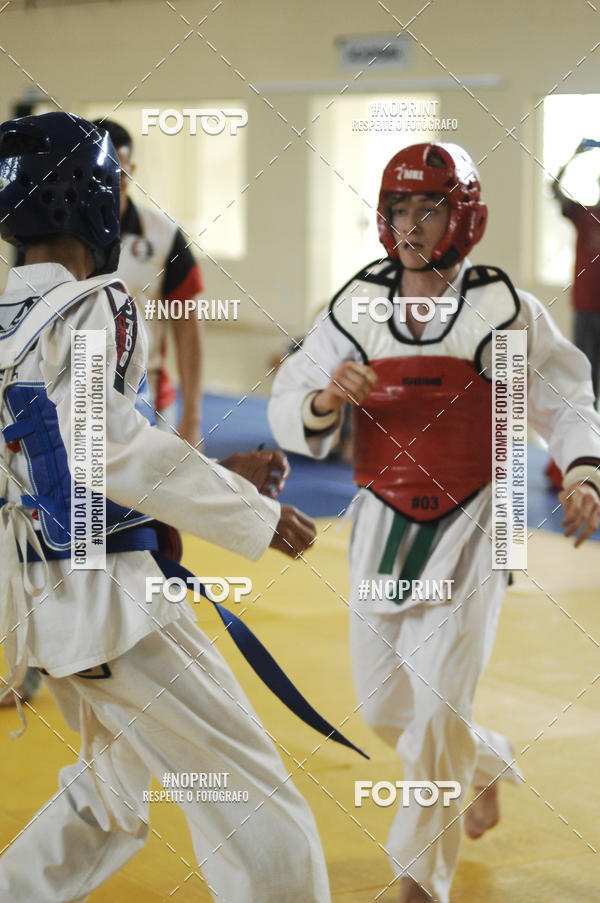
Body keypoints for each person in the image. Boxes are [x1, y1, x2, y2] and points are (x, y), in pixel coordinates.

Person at [0, 111, 331, 903]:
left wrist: (216, 470)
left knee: (110, 801)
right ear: (92, 198)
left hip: (44, 600)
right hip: (112, 602)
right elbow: (104, 446)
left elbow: (69, 458)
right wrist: (249, 512)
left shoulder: (10, 321)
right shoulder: (95, 305)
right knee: (251, 792)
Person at [268, 142, 600, 903]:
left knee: (439, 706)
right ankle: (480, 762)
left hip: (480, 519)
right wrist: (326, 401)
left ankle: (421, 879)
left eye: (429, 206)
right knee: (387, 706)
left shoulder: (505, 307)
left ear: (465, 214)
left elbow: (568, 396)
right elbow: (293, 396)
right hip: (382, 520)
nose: (411, 224)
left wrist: (584, 470)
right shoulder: (355, 307)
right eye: (398, 209)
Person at [93, 118, 204, 446]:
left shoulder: (165, 236)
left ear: (132, 169)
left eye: (120, 169)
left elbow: (188, 330)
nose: (111, 179)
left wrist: (192, 419)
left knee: (154, 497)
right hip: (73, 401)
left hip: (149, 402)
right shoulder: (53, 239)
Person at [553, 139, 600, 401]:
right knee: (584, 370)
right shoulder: (584, 215)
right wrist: (573, 157)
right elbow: (554, 188)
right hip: (585, 306)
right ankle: (586, 424)